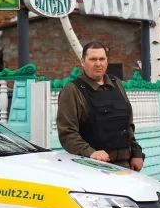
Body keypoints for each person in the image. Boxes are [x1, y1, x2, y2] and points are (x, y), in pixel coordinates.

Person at [56, 42, 144, 171]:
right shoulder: (73, 90)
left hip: (125, 166)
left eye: (101, 59)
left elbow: (127, 125)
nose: (98, 64)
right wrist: (90, 152)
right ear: (82, 61)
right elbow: (67, 133)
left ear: (107, 61)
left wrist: (136, 153)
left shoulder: (117, 84)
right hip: (93, 167)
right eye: (93, 59)